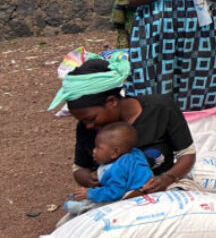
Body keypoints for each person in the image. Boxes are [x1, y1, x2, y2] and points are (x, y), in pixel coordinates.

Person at [51, 55, 197, 197]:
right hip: (114, 194)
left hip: (163, 188)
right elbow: (80, 168)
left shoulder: (161, 108)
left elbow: (187, 154)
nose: (88, 126)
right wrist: (90, 179)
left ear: (112, 101)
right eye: (83, 121)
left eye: (91, 119)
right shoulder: (86, 127)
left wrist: (167, 178)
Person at [63, 122, 153, 215]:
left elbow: (115, 193)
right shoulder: (134, 154)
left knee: (101, 207)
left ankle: (84, 208)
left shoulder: (118, 169)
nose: (94, 151)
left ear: (115, 153)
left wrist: (89, 193)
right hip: (147, 191)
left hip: (131, 198)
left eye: (98, 148)